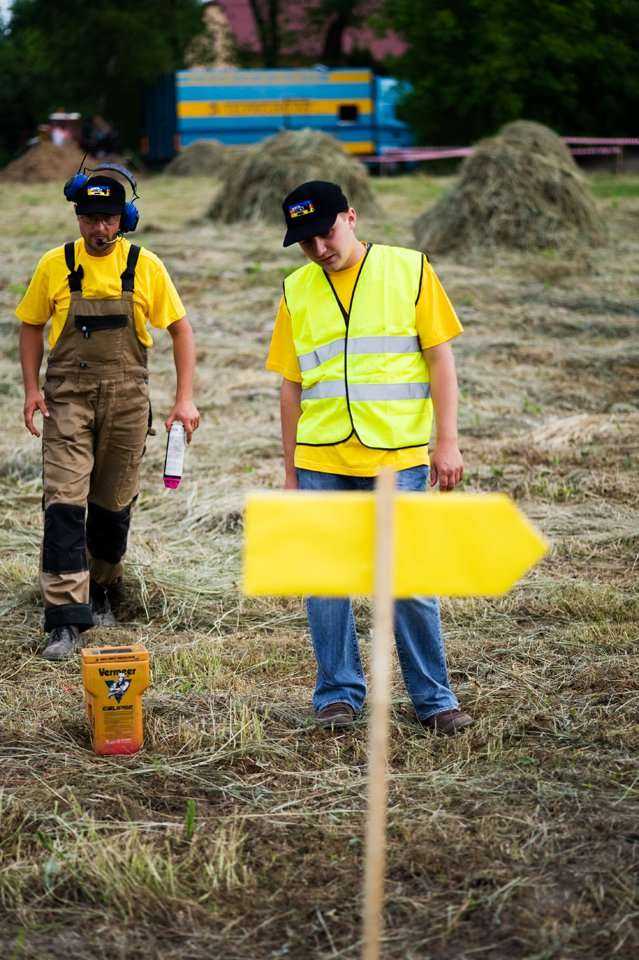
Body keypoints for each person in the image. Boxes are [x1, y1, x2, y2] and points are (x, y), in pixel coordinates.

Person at [266, 180, 472, 735]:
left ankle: (434, 700)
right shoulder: (295, 289)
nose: (319, 249)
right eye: (305, 242)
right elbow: (291, 386)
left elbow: (440, 359)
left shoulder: (410, 269)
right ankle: (337, 694)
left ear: (351, 217)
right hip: (321, 460)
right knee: (326, 583)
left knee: (407, 583)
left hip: (395, 458)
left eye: (326, 233)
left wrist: (446, 441)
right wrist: (290, 472)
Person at [16, 168, 199, 660]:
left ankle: (102, 588)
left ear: (125, 219)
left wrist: (184, 398)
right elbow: (31, 326)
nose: (99, 229)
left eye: (109, 219)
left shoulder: (145, 265)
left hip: (127, 399)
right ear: (78, 217)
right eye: (90, 219)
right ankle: (65, 619)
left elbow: (181, 330)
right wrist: (31, 389)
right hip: (67, 399)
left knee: (112, 506)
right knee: (63, 502)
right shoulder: (55, 264)